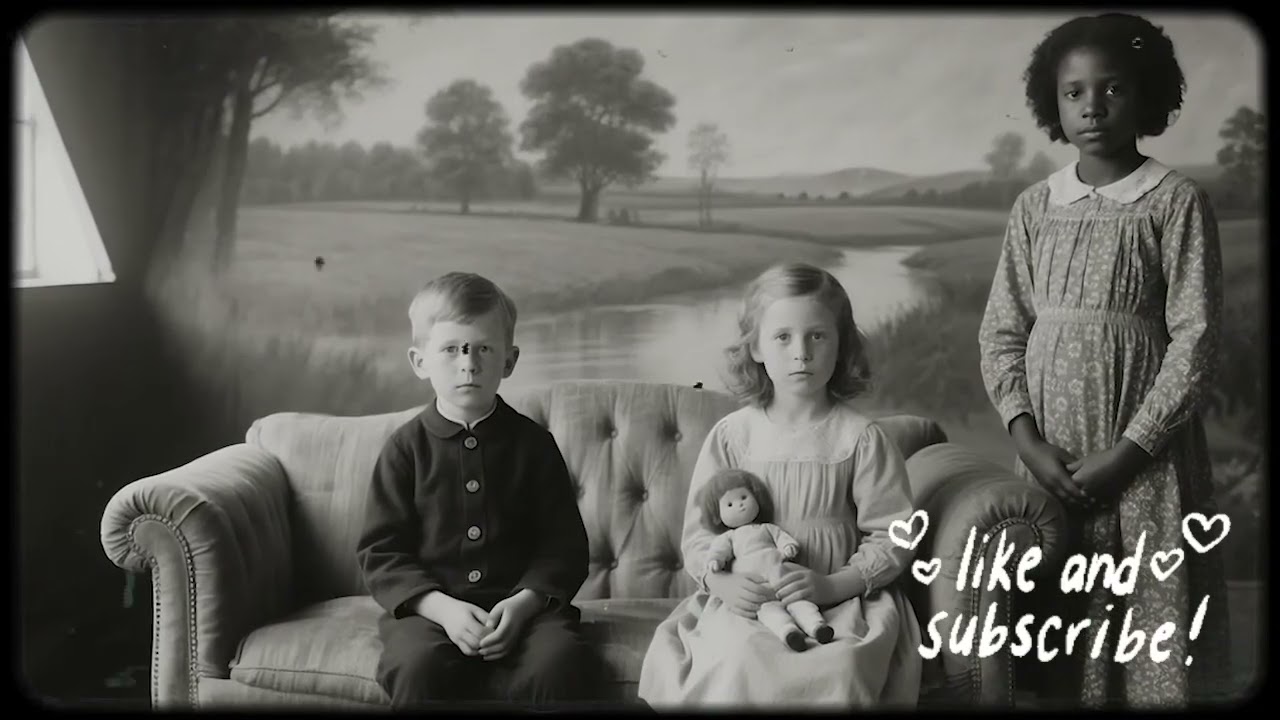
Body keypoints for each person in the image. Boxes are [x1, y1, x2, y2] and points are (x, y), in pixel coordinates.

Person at [978, 12, 1232, 708]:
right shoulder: (1035, 208)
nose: (1092, 106)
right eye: (1073, 92)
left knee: (1145, 624)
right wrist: (1027, 443)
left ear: (1146, 95)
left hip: (1142, 461)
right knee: (1061, 619)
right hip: (1052, 455)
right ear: (1051, 102)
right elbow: (1002, 331)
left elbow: (1197, 338)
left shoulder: (1174, 202)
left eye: (1113, 89)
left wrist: (1129, 452)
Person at [637, 262, 923, 709]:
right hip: (751, 601)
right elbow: (699, 535)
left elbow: (895, 534)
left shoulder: (861, 438)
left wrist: (833, 585)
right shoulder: (733, 436)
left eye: (818, 336)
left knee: (840, 667)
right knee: (740, 658)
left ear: (841, 344)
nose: (801, 353)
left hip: (837, 598)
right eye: (783, 337)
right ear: (755, 348)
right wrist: (724, 583)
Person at [356, 271, 598, 709]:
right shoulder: (404, 449)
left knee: (559, 664)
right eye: (451, 349)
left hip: (527, 611)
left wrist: (525, 604)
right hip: (430, 612)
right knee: (416, 668)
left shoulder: (533, 445)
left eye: (484, 348)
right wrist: (441, 608)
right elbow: (381, 551)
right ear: (420, 361)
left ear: (509, 360)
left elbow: (564, 545)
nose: (469, 364)